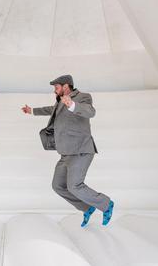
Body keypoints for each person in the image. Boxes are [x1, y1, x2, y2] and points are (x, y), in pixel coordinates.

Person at [21, 75, 114, 226]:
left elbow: (90, 111)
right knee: (57, 186)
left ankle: (106, 204)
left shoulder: (83, 97)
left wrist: (72, 105)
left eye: (56, 88)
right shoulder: (59, 103)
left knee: (74, 185)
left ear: (66, 86)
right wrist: (31, 111)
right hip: (65, 153)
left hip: (81, 150)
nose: (54, 91)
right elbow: (50, 110)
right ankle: (87, 208)